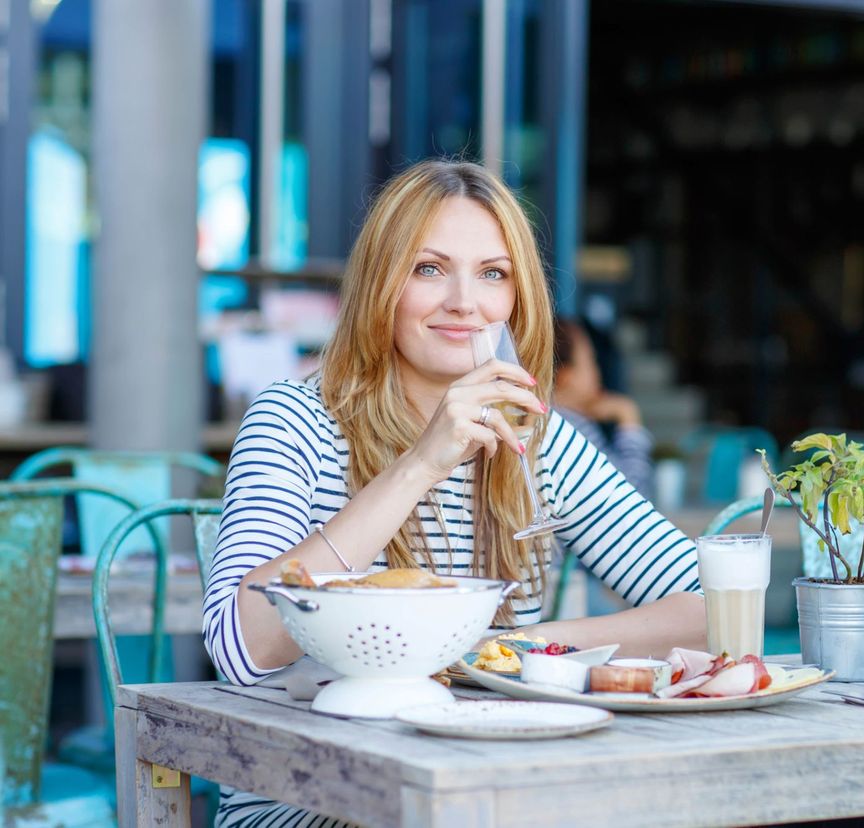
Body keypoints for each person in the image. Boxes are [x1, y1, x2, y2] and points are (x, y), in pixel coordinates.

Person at [203, 159, 704, 827]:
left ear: (516, 299)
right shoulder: (294, 420)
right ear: (381, 283)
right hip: (311, 798)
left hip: (487, 789)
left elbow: (712, 608)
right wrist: (420, 464)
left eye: (492, 274)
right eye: (429, 268)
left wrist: (516, 649)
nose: (465, 302)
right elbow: (242, 647)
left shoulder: (537, 441)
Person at [553, 316, 655, 500]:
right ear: (565, 375)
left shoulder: (554, 421)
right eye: (591, 361)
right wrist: (628, 418)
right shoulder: (570, 426)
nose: (598, 374)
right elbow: (632, 498)